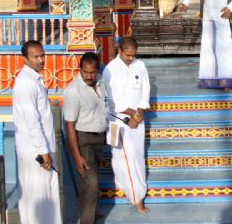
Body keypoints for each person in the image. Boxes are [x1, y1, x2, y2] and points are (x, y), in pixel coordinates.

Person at [13, 40, 61, 224]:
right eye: (36, 57)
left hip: (41, 148)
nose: (41, 60)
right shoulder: (26, 83)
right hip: (36, 151)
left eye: (42, 56)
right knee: (37, 198)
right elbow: (31, 120)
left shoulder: (34, 79)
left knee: (47, 197)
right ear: (25, 59)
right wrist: (42, 150)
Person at [103, 37, 150, 214]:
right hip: (118, 121)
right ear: (119, 51)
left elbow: (145, 90)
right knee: (122, 158)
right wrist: (131, 114)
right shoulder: (110, 70)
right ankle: (136, 197)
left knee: (136, 157)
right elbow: (112, 99)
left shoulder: (140, 66)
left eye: (133, 55)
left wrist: (140, 111)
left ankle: (132, 190)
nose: (131, 58)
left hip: (137, 119)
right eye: (127, 55)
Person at [63, 52, 108, 224]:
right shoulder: (73, 91)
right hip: (83, 141)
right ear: (80, 69)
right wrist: (77, 156)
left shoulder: (101, 81)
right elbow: (69, 126)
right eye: (85, 72)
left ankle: (88, 215)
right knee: (92, 184)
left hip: (99, 139)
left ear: (97, 70)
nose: (89, 76)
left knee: (86, 184)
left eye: (92, 72)